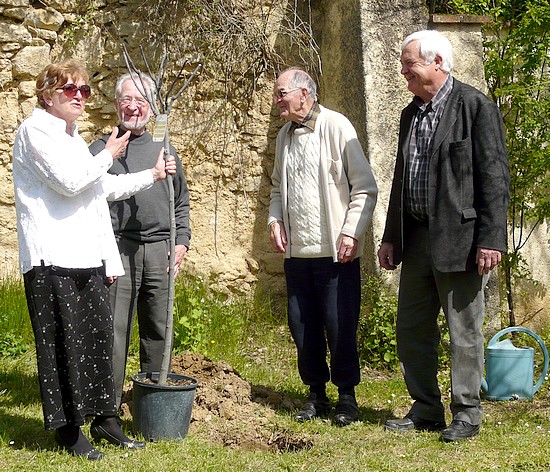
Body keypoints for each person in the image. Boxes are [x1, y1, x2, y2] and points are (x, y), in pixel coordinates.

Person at [12, 60, 176, 459]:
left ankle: (104, 421)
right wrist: (109, 151)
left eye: (84, 91)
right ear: (48, 94)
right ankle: (69, 432)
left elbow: (100, 186)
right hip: (53, 258)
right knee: (64, 348)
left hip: (86, 257)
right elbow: (70, 183)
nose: (80, 98)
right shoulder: (35, 132)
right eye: (71, 90)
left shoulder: (70, 137)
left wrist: (151, 176)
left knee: (97, 344)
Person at [378, 30, 510, 441]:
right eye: (403, 65)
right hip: (416, 238)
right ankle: (425, 408)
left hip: (463, 239)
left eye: (409, 64)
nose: (403, 72)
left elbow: (494, 175)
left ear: (438, 63)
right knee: (412, 327)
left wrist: (491, 238)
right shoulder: (410, 114)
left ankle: (467, 413)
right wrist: (390, 237)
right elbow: (402, 178)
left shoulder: (474, 107)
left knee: (464, 330)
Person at [268, 68, 378, 426]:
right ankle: (316, 394)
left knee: (339, 324)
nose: (277, 100)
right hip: (297, 253)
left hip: (336, 253)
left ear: (304, 93)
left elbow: (365, 187)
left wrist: (351, 232)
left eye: (281, 93)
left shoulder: (337, 126)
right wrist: (275, 220)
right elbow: (276, 187)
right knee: (302, 326)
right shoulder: (285, 135)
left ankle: (347, 397)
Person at [89, 73, 191, 411]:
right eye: (126, 100)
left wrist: (182, 242)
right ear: (116, 104)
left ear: (151, 106)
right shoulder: (100, 150)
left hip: (161, 249)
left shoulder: (165, 147)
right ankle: (109, 406)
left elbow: (180, 201)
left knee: (159, 330)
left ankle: (152, 403)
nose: (133, 107)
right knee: (115, 331)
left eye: (140, 101)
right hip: (118, 249)